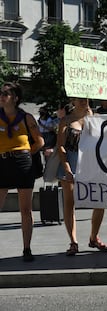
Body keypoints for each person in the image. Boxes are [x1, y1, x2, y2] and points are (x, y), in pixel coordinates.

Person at [56, 97, 107, 256]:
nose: (83, 102)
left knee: (100, 200)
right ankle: (73, 241)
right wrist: (66, 167)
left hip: (90, 163)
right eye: (80, 99)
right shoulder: (66, 120)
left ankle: (94, 236)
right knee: (69, 202)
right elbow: (60, 145)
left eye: (86, 99)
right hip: (71, 163)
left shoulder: (94, 118)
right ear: (73, 100)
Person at [0, 82, 44, 261]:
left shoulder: (26, 118)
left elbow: (39, 141)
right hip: (1, 162)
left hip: (21, 163)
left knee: (25, 209)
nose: (2, 96)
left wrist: (26, 153)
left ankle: (27, 249)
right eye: (1, 94)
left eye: (6, 94)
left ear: (15, 98)